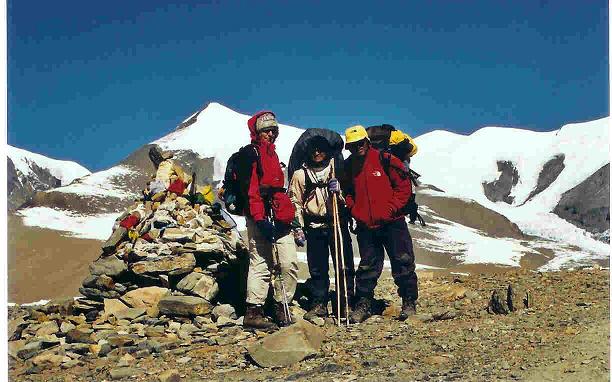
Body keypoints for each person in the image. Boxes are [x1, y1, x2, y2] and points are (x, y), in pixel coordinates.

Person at [341, 125, 419, 323]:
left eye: (360, 143)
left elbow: (403, 187)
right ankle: (363, 304)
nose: (357, 148)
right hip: (367, 226)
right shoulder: (349, 166)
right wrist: (354, 209)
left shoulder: (385, 160)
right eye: (352, 146)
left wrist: (391, 208)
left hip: (393, 223)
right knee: (367, 267)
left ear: (367, 141)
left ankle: (409, 302)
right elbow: (347, 192)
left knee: (402, 261)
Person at [288, 134, 355, 321]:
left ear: (327, 151)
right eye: (313, 150)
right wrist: (298, 227)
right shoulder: (300, 175)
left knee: (344, 265)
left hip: (337, 224)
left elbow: (349, 198)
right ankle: (319, 303)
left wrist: (339, 192)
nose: (317, 153)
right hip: (314, 226)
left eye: (320, 149)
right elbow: (295, 202)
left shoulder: (337, 169)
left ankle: (346, 302)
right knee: (317, 268)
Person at [242, 111, 299, 330]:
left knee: (288, 262)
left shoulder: (273, 155)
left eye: (274, 130)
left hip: (278, 216)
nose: (271, 134)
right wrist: (259, 218)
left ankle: (281, 305)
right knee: (261, 263)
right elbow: (252, 191)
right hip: (260, 216)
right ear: (257, 132)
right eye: (267, 130)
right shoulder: (252, 154)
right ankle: (254, 311)